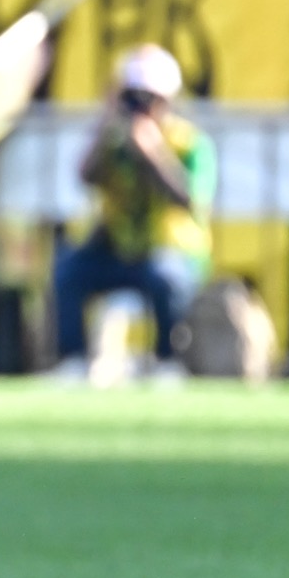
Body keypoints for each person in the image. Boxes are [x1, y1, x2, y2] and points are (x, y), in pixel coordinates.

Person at [54, 45, 215, 380]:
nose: (140, 108)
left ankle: (166, 362)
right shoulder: (113, 140)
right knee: (69, 270)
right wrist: (105, 130)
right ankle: (74, 362)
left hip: (169, 253)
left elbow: (191, 200)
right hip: (119, 251)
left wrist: (153, 154)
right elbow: (85, 176)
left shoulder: (188, 143)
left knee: (165, 277)